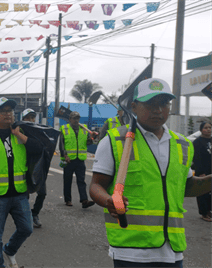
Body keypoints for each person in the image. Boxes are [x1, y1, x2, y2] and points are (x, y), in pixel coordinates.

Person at [90, 78, 212, 268]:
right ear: (134, 107)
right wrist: (108, 201)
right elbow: (96, 185)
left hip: (172, 251)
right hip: (131, 251)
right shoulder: (116, 140)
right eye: (150, 103)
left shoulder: (183, 144)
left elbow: (187, 186)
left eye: (164, 103)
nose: (158, 110)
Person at [0, 97, 42, 268]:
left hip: (19, 193)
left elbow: (39, 149)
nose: (8, 115)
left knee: (27, 228)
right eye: (3, 111)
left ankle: (9, 250)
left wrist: (18, 134)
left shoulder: (21, 132)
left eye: (10, 111)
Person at [59, 111, 96, 208]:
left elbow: (88, 142)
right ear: (70, 119)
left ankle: (84, 200)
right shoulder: (64, 129)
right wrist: (65, 155)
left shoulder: (84, 129)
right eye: (74, 118)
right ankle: (68, 200)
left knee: (81, 180)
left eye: (78, 118)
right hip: (68, 160)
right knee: (67, 180)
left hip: (80, 160)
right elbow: (61, 144)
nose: (76, 120)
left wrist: (92, 138)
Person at [21, 108, 45, 228]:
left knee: (43, 192)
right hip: (24, 166)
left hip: (38, 166)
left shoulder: (39, 131)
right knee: (25, 194)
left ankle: (34, 213)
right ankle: (25, 215)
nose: (31, 120)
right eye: (28, 117)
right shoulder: (19, 131)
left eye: (32, 117)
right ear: (23, 119)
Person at [192, 122, 212, 222]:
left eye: (210, 127)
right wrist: (200, 172)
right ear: (201, 130)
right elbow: (197, 159)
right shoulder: (197, 142)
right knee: (203, 192)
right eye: (205, 128)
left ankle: (210, 211)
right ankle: (204, 213)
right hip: (204, 172)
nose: (208, 129)